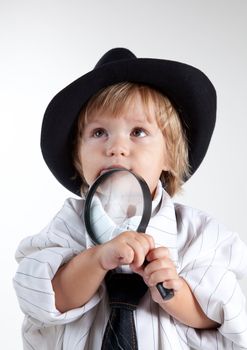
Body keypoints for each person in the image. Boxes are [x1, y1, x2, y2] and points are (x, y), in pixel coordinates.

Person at [14, 48, 247, 349]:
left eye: (138, 132)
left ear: (169, 154)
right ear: (77, 157)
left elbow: (226, 310)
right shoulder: (67, 226)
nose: (116, 147)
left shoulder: (200, 235)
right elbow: (41, 294)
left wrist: (175, 293)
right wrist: (97, 259)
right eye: (99, 133)